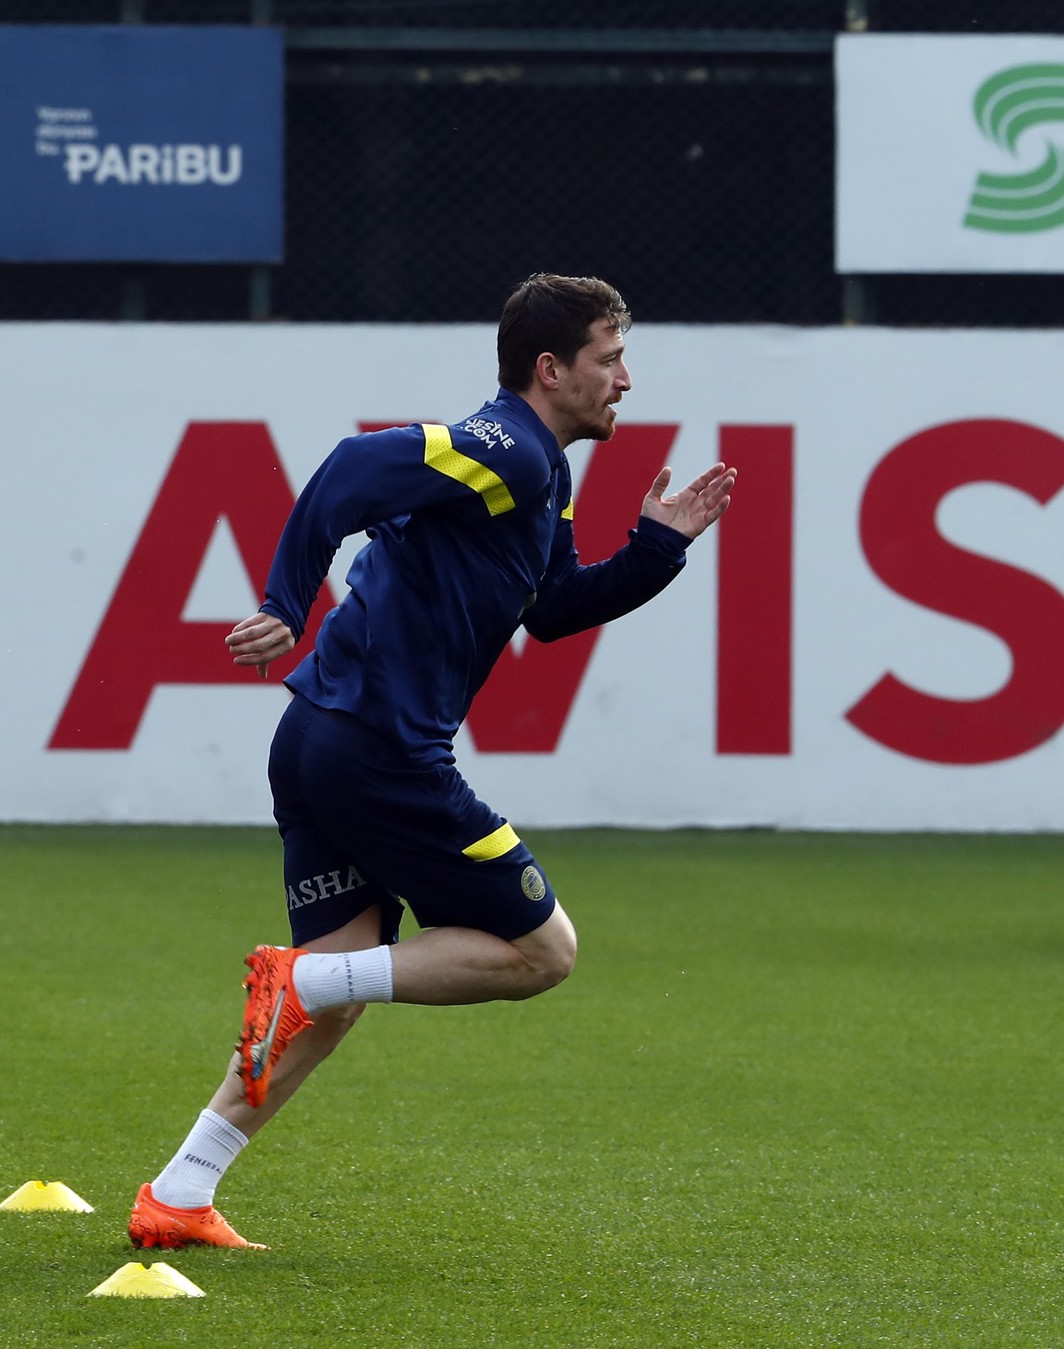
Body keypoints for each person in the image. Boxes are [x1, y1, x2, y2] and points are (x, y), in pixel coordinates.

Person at [126, 274, 736, 1249]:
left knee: (335, 986)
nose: (626, 377)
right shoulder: (509, 447)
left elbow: (550, 607)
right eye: (608, 357)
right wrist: (287, 600)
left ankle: (180, 1189)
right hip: (378, 752)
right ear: (550, 369)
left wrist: (655, 551)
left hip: (323, 740)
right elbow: (346, 467)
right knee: (541, 950)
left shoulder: (542, 472)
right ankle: (300, 984)